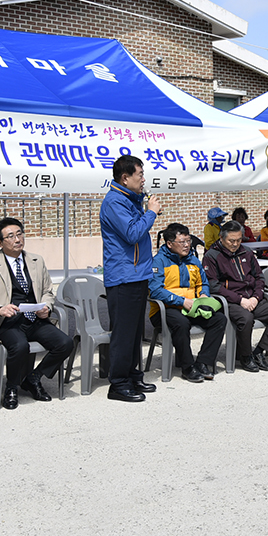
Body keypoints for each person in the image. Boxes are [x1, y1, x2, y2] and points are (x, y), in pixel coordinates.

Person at [0, 217, 74, 409]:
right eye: (11, 236)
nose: (18, 239)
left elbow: (47, 290)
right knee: (19, 346)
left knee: (65, 343)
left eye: (19, 234)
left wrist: (46, 307)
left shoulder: (36, 261)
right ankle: (11, 387)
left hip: (35, 319)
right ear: (0, 243)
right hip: (8, 322)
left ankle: (34, 378)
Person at [99, 154, 162, 403]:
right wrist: (151, 213)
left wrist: (146, 209)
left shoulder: (129, 199)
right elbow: (133, 233)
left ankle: (133, 375)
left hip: (137, 274)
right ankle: (118, 383)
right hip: (123, 276)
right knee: (124, 333)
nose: (143, 179)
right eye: (140, 175)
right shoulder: (114, 202)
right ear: (125, 178)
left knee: (135, 332)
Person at [203, 220, 268, 373]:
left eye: (238, 240)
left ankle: (259, 352)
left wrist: (256, 297)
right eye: (231, 241)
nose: (235, 244)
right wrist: (240, 300)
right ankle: (245, 356)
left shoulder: (247, 252)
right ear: (221, 238)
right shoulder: (212, 255)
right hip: (230, 301)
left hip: (252, 298)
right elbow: (214, 286)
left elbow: (259, 278)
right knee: (246, 318)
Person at [149, 223, 227, 383]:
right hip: (165, 309)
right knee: (181, 323)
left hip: (192, 307)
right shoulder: (158, 261)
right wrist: (181, 301)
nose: (187, 245)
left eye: (188, 241)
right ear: (169, 244)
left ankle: (203, 362)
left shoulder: (193, 260)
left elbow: (203, 283)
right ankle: (187, 367)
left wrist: (204, 295)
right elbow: (155, 291)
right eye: (182, 242)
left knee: (219, 320)